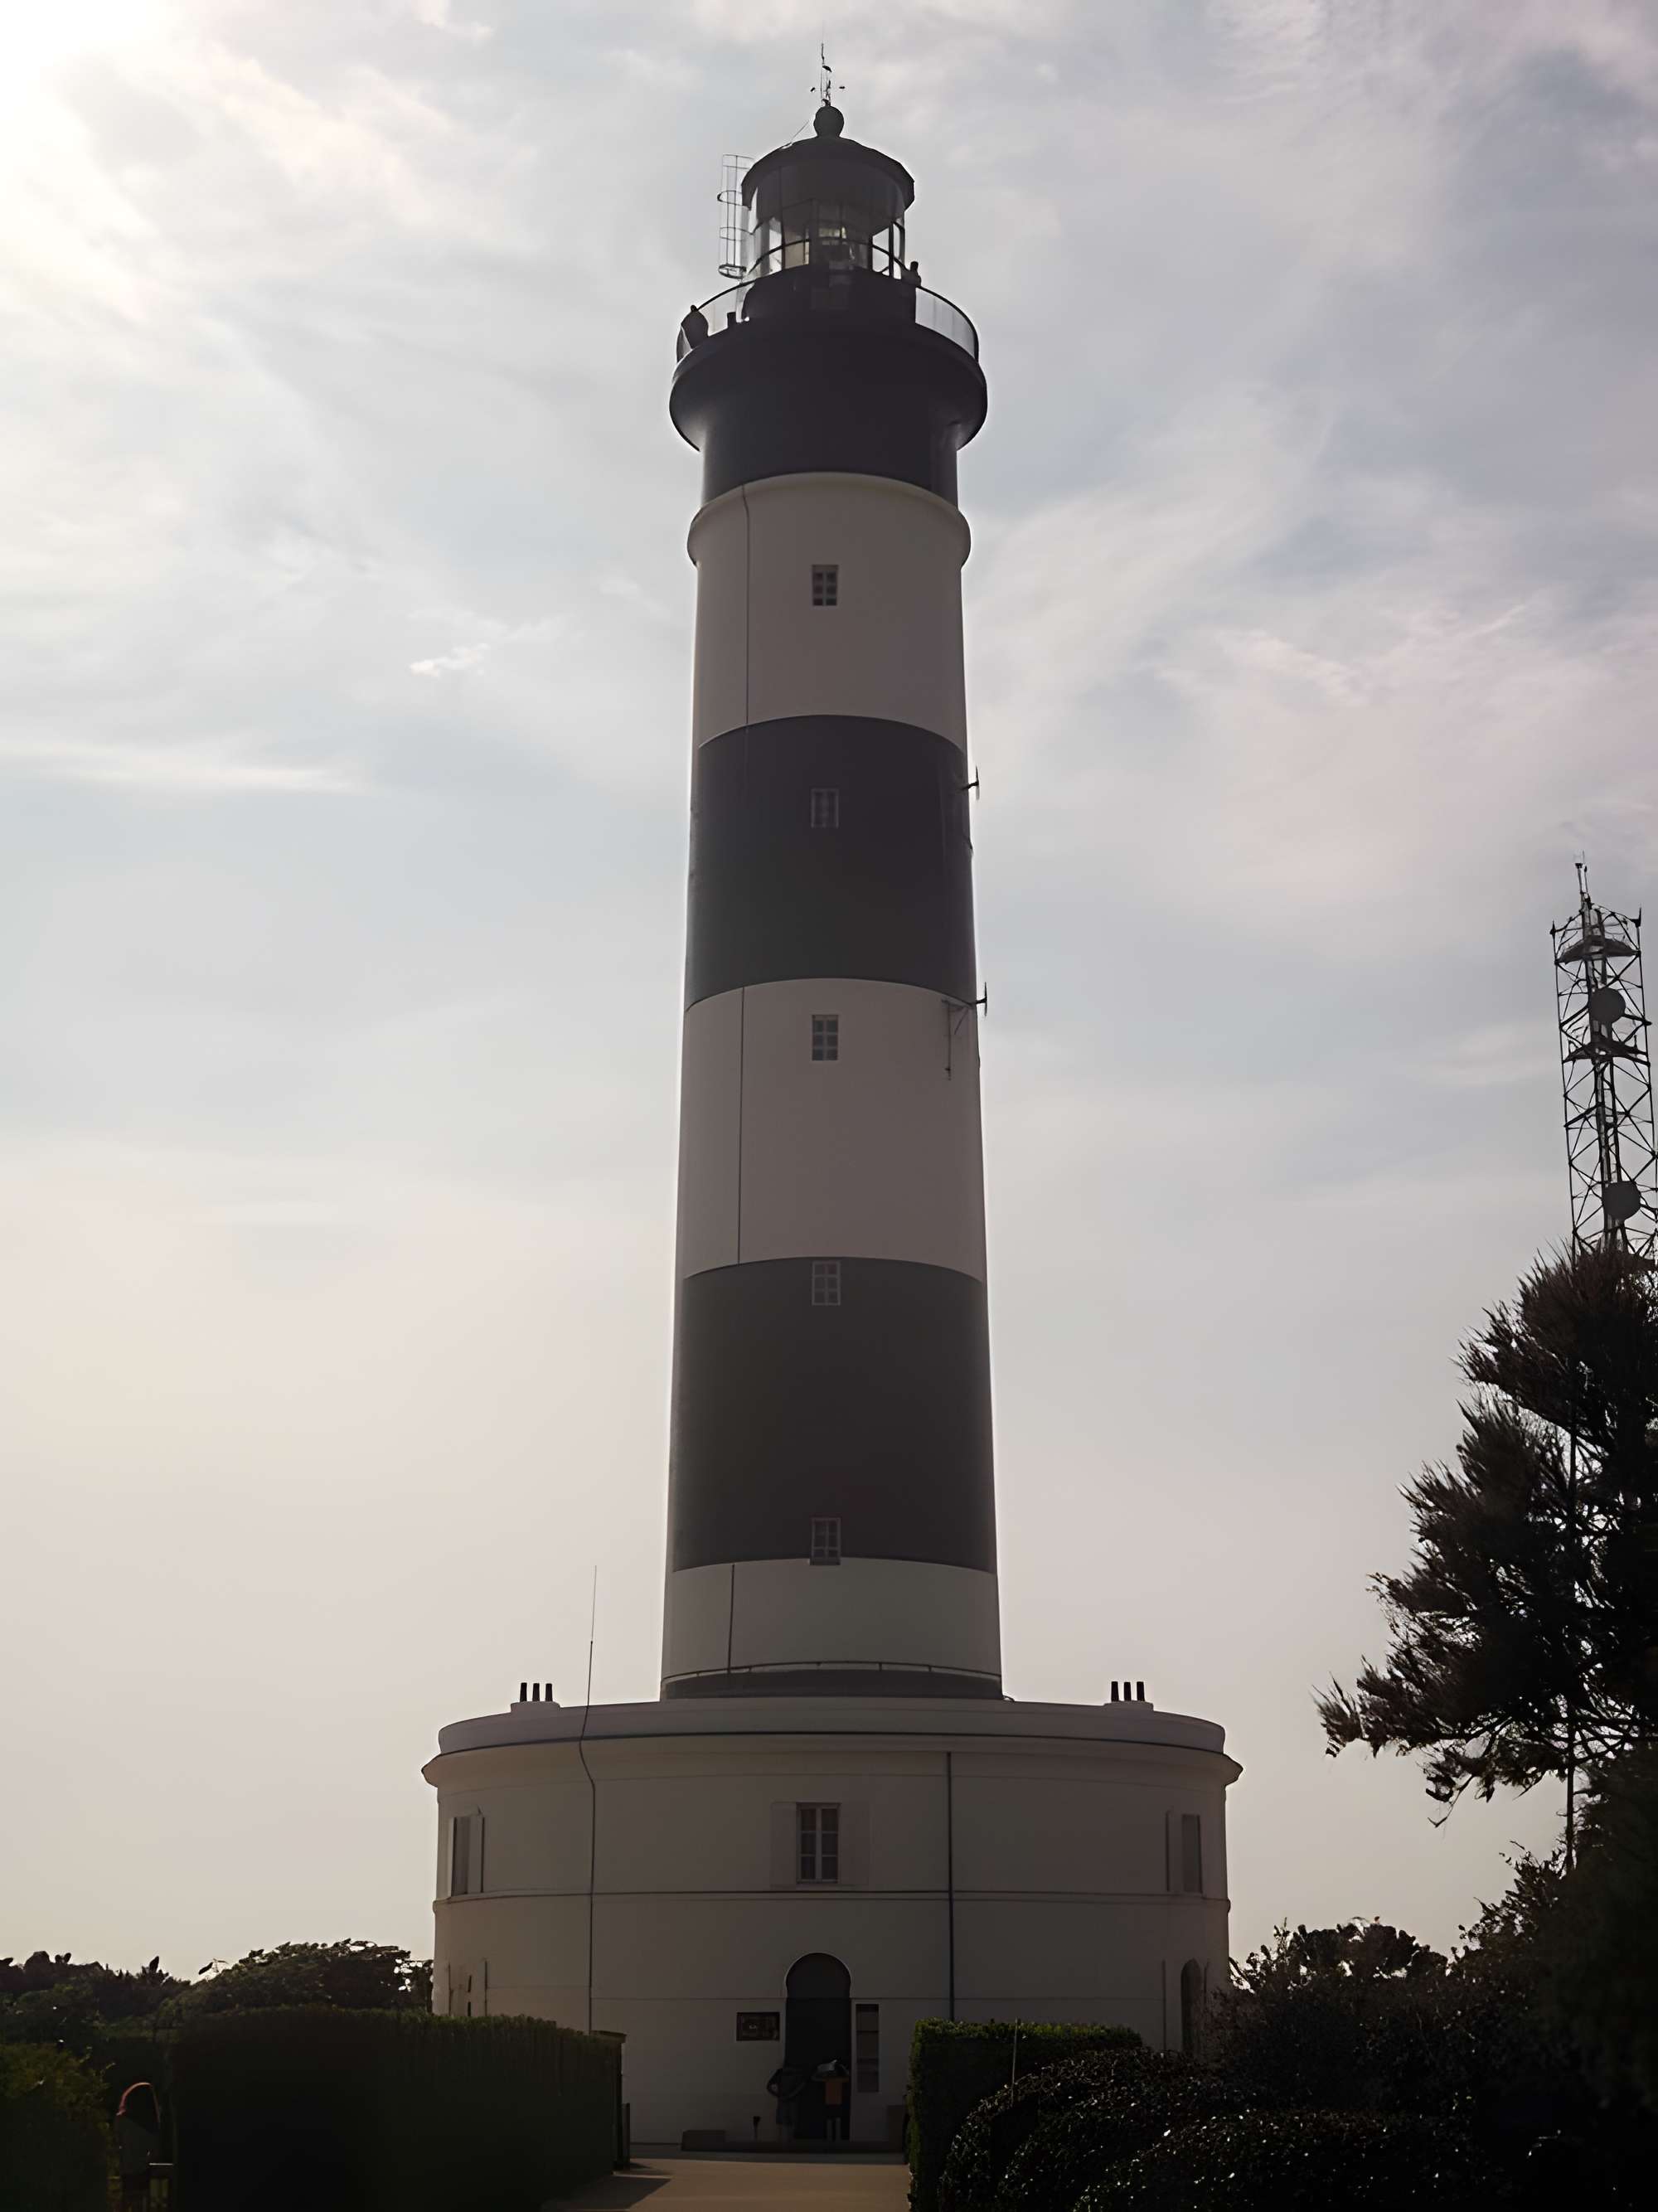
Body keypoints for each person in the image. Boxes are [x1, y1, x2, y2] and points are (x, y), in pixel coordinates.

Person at [114, 2081, 162, 2207]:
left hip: (124, 2169)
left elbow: (116, 2144)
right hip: (142, 2171)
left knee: (124, 2202)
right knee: (140, 2204)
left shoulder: (122, 2120)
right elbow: (154, 2152)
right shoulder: (150, 2126)